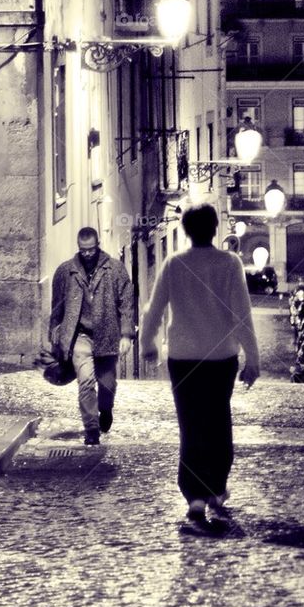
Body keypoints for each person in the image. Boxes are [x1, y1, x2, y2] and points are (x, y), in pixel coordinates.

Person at [140, 204, 260, 522]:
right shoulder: (230, 264)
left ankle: (194, 495)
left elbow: (154, 308)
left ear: (186, 230)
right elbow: (242, 314)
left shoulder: (174, 263)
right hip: (221, 358)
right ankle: (215, 488)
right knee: (218, 423)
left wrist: (147, 344)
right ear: (215, 228)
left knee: (190, 425)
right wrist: (253, 359)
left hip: (182, 357)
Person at [49, 228, 135, 445]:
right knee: (86, 381)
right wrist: (55, 334)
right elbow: (57, 305)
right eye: (83, 250)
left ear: (98, 245)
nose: (87, 254)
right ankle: (91, 429)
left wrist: (126, 334)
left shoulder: (115, 269)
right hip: (80, 336)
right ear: (78, 247)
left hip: (107, 335)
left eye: (91, 249)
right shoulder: (65, 272)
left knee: (107, 385)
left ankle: (105, 410)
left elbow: (126, 303)